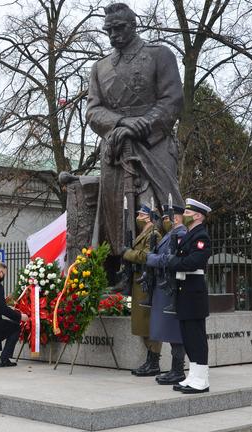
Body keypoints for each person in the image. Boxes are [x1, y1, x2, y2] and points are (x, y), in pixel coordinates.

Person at [86, 2, 184, 285]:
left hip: (153, 145)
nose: (113, 35)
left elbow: (172, 100)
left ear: (133, 25)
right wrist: (121, 123)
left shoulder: (159, 55)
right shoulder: (100, 68)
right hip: (116, 149)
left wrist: (143, 124)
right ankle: (122, 271)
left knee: (153, 207)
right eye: (109, 30)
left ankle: (158, 267)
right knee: (115, 212)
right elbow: (93, 111)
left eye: (119, 28)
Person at [165, 198, 212, 394]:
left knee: (196, 336)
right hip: (185, 290)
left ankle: (201, 379)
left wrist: (172, 261)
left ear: (198, 215)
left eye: (188, 212)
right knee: (188, 336)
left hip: (193, 291)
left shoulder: (201, 236)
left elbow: (193, 261)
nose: (184, 215)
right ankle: (193, 375)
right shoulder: (190, 235)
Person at [146, 204, 188, 385]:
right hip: (163, 287)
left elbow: (171, 259)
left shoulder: (180, 234)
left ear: (176, 218)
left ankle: (178, 370)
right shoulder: (170, 235)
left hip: (171, 289)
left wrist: (151, 258)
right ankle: (174, 370)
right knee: (169, 331)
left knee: (175, 331)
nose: (164, 221)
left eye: (167, 218)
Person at [121, 204, 163, 377]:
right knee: (142, 325)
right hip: (139, 283)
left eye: (140, 215)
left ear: (148, 217)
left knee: (148, 324)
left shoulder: (154, 234)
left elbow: (146, 256)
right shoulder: (144, 233)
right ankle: (149, 361)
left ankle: (153, 362)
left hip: (146, 283)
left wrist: (127, 253)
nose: (138, 217)